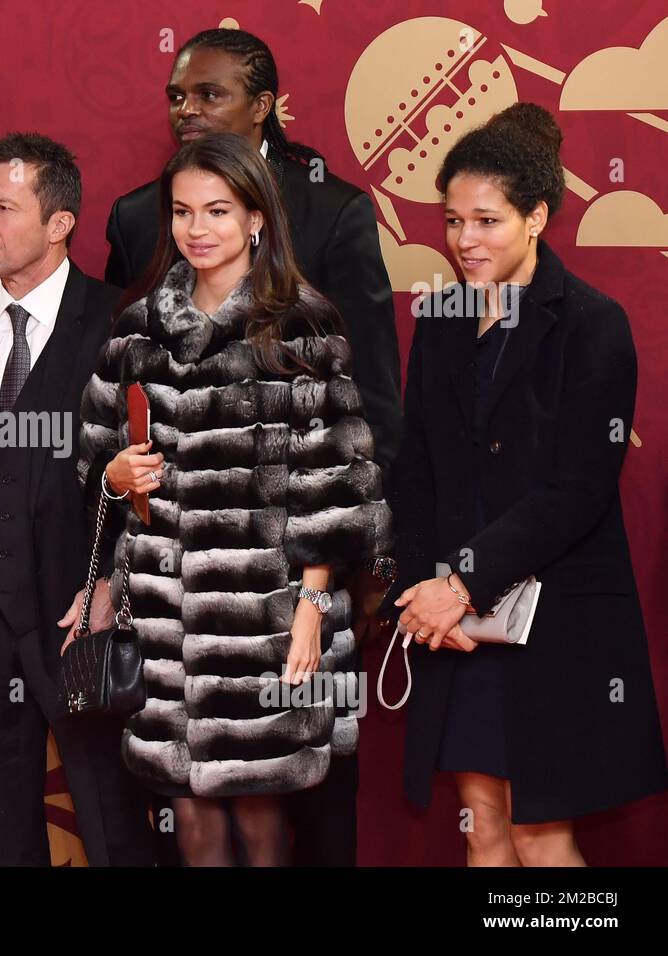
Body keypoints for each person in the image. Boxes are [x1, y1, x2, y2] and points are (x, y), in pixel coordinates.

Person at [103, 28, 402, 864]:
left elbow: (369, 405)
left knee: (304, 804)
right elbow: (114, 417)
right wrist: (117, 482)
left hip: (291, 577)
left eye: (209, 94)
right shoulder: (135, 218)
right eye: (176, 96)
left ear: (263, 104)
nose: (187, 111)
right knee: (192, 812)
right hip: (172, 598)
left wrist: (355, 571)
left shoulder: (330, 209)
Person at [380, 103, 668, 866]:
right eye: (451, 221)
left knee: (543, 837)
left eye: (487, 221)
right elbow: (417, 472)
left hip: (554, 619)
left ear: (536, 217)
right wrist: (420, 591)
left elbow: (577, 489)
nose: (464, 241)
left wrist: (463, 585)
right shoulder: (441, 318)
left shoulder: (591, 324)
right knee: (482, 826)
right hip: (459, 627)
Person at [0, 132, 155, 866]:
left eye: (3, 207)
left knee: (116, 826)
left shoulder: (121, 322)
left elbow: (148, 471)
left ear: (58, 224)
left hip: (85, 624)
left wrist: (113, 583)